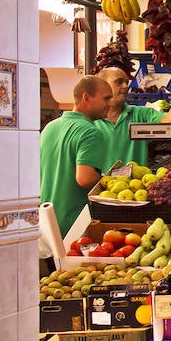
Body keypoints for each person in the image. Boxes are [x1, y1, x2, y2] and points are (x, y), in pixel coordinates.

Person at [39, 75, 112, 235]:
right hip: (74, 225)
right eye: (106, 99)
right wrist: (110, 181)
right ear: (86, 97)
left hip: (47, 224)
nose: (110, 104)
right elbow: (85, 178)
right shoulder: (90, 132)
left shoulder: (50, 127)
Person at [94, 65, 171, 170]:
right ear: (102, 86)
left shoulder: (140, 113)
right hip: (101, 184)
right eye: (119, 82)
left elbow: (167, 122)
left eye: (126, 82)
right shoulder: (91, 120)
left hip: (136, 184)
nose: (125, 86)